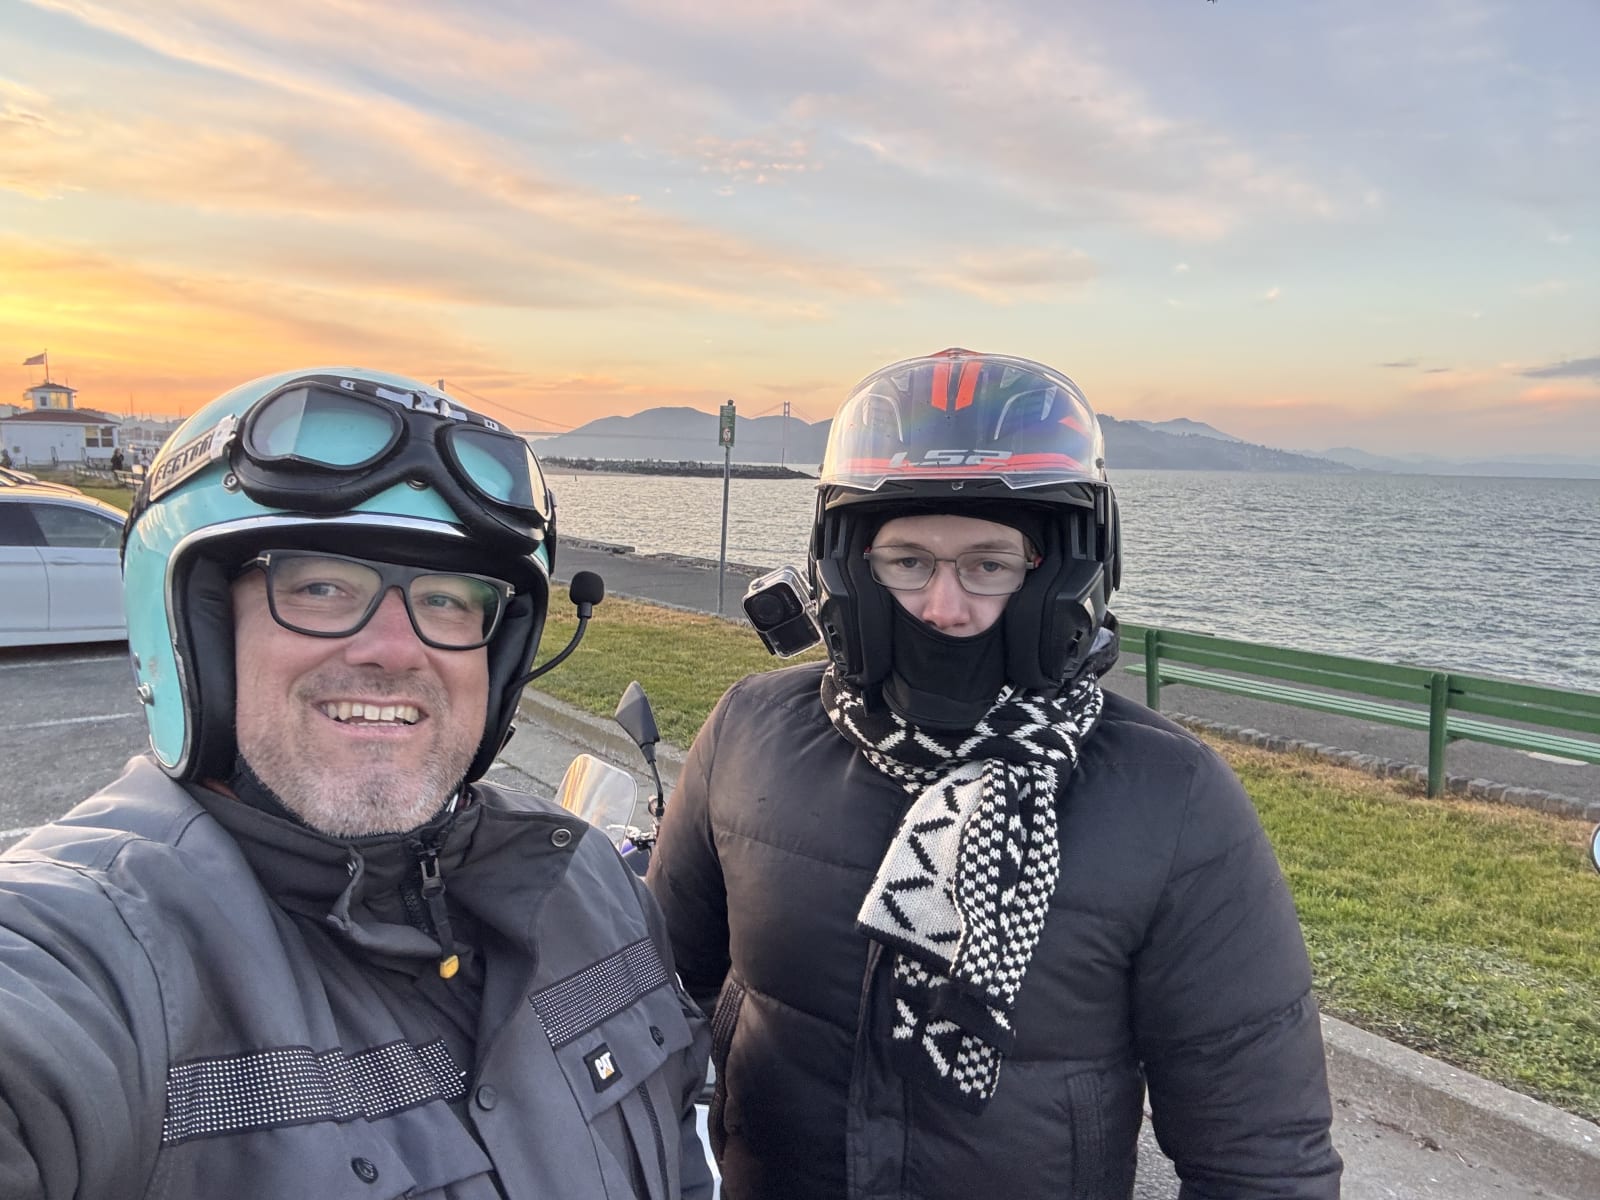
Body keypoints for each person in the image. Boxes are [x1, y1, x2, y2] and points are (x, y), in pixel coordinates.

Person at [0, 368, 712, 1199]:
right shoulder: (91, 957)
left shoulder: (592, 886)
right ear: (195, 631)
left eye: (448, 600)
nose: (395, 650)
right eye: (322, 587)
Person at [647, 349, 1343, 1199]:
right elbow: (652, 1006)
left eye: (988, 564)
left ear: (1057, 577)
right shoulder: (749, 732)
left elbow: (1261, 1160)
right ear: (851, 575)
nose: (945, 608)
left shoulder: (1174, 798)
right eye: (907, 563)